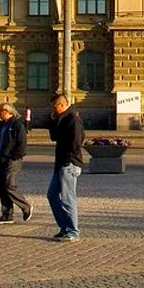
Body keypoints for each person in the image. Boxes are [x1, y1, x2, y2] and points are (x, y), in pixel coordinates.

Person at [46, 93, 84, 242]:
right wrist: (52, 120)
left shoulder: (73, 119)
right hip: (61, 163)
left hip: (69, 163)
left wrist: (69, 159)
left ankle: (73, 231)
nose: (53, 109)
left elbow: (76, 142)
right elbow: (54, 137)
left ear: (61, 105)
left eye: (54, 107)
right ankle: (65, 227)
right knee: (52, 195)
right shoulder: (62, 119)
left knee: (68, 198)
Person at [0, 102, 31, 225]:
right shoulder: (3, 125)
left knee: (9, 185)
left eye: (0, 111)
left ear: (7, 112)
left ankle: (26, 206)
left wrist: (14, 156)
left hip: (12, 160)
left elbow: (21, 144)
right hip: (1, 159)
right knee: (2, 187)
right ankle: (7, 214)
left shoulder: (17, 124)